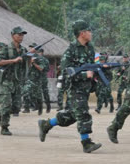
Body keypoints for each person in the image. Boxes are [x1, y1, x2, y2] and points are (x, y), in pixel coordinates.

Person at [38, 20, 102, 153]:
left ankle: (46, 124)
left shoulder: (90, 48)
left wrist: (100, 69)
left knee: (70, 117)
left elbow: (91, 66)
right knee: (83, 114)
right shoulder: (70, 51)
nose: (91, 33)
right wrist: (85, 75)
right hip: (75, 89)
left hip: (85, 88)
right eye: (89, 31)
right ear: (82, 33)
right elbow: (67, 72)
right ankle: (86, 142)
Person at [0, 26, 29, 135]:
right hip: (6, 81)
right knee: (6, 104)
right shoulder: (6, 49)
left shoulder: (24, 50)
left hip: (17, 81)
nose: (21, 37)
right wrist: (13, 60)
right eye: (19, 34)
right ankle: (4, 127)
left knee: (16, 107)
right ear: (12, 35)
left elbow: (25, 66)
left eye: (22, 35)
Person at [38, 49, 51, 113]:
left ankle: (48, 106)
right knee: (38, 93)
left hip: (43, 78)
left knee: (45, 92)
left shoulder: (44, 60)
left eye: (39, 52)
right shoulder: (35, 59)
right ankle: (40, 108)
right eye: (37, 52)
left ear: (42, 53)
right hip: (37, 79)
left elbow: (47, 69)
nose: (38, 53)